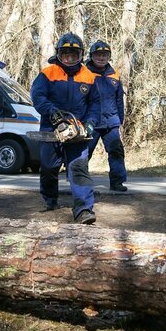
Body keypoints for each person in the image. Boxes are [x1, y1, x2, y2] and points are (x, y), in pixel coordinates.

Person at [30, 33, 101, 224]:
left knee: (78, 168)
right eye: (66, 54)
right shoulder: (48, 73)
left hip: (77, 129)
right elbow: (38, 97)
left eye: (74, 55)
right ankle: (50, 199)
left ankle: (83, 209)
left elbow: (95, 104)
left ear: (81, 55)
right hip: (51, 127)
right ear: (59, 55)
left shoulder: (88, 76)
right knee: (48, 167)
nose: (70, 58)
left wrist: (91, 122)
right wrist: (52, 113)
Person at [85, 40, 128, 192]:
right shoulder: (84, 73)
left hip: (111, 121)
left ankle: (117, 182)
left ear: (109, 57)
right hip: (91, 122)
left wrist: (119, 120)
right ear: (92, 56)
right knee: (84, 152)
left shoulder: (114, 75)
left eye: (105, 55)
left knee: (116, 151)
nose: (101, 58)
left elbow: (119, 100)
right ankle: (78, 181)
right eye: (98, 55)